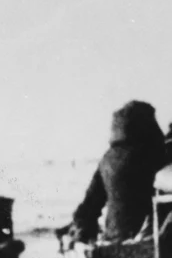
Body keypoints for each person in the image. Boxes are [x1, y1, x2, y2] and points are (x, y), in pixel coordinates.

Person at [69, 100, 166, 244]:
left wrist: (83, 231)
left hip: (115, 240)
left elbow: (88, 207)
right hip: (149, 241)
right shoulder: (153, 154)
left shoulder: (108, 158)